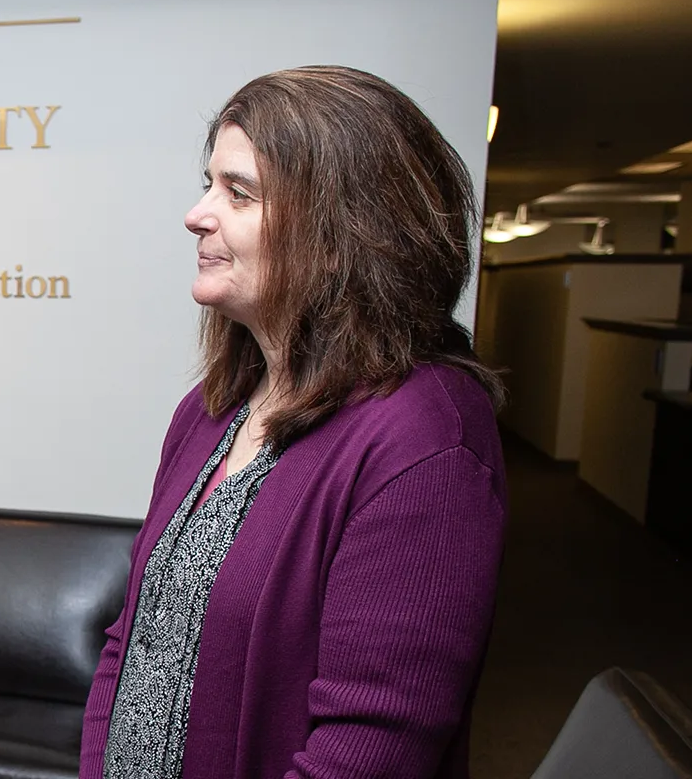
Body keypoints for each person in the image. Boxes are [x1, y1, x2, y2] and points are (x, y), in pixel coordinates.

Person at [78, 65, 508, 779]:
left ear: (345, 228)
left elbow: (370, 748)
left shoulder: (426, 439)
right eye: (208, 182)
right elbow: (133, 640)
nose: (197, 212)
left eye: (238, 192)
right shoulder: (210, 412)